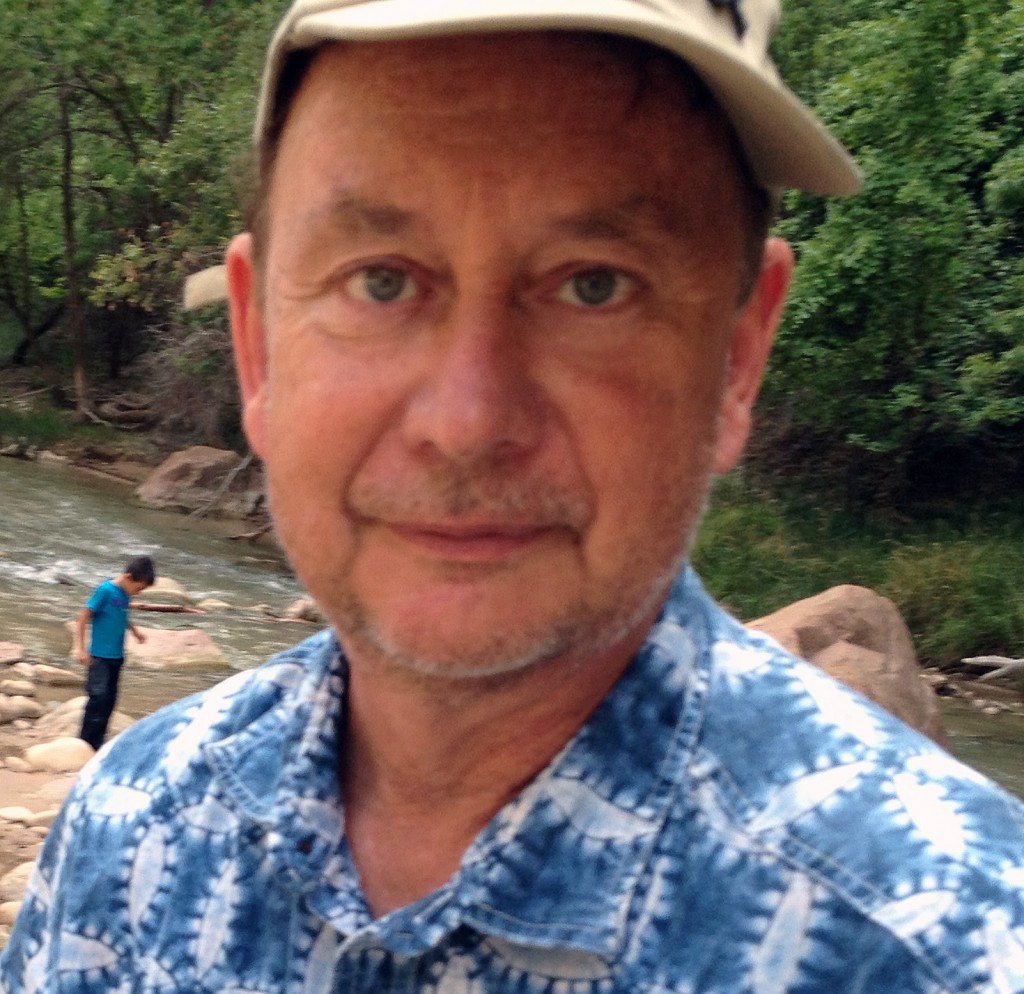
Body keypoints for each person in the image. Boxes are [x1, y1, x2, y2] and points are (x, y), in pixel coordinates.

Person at [3, 0, 1024, 991]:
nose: (468, 418)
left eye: (595, 284)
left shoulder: (948, 940)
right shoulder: (132, 829)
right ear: (257, 346)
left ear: (737, 358)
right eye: (381, 281)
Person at [73, 555, 155, 751]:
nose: (138, 593)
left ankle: (97, 742)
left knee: (110, 700)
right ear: (128, 576)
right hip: (99, 657)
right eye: (139, 588)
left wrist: (134, 631)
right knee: (97, 698)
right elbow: (83, 617)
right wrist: (81, 648)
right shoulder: (105, 590)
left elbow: (121, 614)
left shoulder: (125, 595)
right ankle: (84, 742)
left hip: (116, 657)